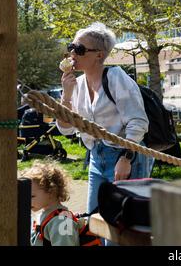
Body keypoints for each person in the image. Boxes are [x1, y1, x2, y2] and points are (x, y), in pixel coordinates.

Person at [56, 22, 153, 216]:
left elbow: (138, 122)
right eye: (71, 47)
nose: (72, 54)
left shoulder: (116, 77)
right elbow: (65, 129)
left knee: (123, 224)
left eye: (80, 49)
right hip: (95, 157)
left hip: (125, 155)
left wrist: (127, 158)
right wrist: (66, 96)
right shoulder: (77, 84)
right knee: (95, 221)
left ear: (99, 55)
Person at [22, 161, 80, 246]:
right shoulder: (44, 214)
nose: (27, 200)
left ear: (51, 192)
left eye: (32, 196)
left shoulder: (62, 221)